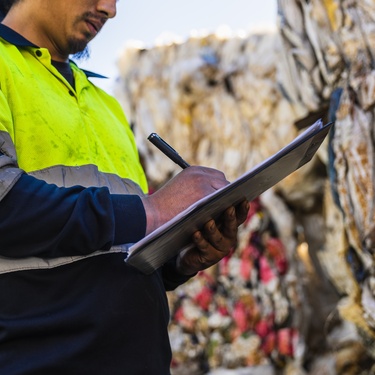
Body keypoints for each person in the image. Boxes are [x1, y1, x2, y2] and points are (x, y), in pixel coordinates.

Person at [0, 1, 249, 374]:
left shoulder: (108, 107)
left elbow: (116, 248)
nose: (110, 9)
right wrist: (154, 210)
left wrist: (177, 262)